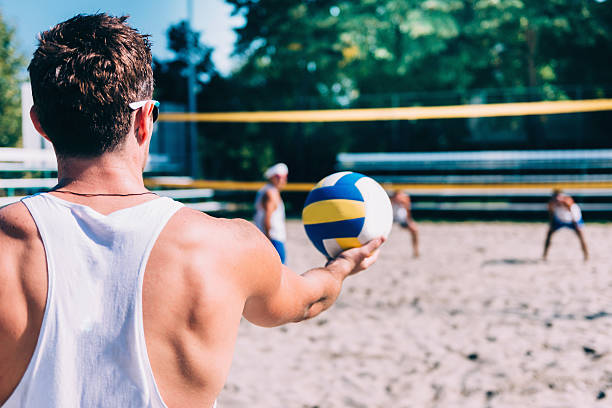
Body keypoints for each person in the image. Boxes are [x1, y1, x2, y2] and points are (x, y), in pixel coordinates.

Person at [0, 14, 384, 408]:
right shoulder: (226, 247)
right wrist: (341, 266)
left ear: (40, 124)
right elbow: (307, 300)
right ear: (145, 119)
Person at [254, 163, 288, 264]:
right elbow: (267, 219)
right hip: (273, 238)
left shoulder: (265, 190)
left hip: (267, 237)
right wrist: (268, 241)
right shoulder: (271, 193)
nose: (282, 180)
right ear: (272, 177)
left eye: (284, 177)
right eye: (278, 177)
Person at [542, 189, 589, 261]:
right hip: (560, 220)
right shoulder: (552, 203)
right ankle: (544, 255)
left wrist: (576, 225)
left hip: (573, 219)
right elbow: (551, 214)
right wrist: (551, 223)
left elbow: (573, 213)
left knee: (581, 235)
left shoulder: (567, 201)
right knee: (549, 234)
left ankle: (586, 255)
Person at [390, 190, 419, 258]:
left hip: (402, 221)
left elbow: (408, 213)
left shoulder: (405, 202)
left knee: (415, 230)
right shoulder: (391, 202)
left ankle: (415, 251)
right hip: (391, 220)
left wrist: (409, 221)